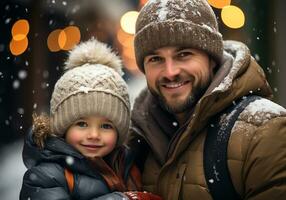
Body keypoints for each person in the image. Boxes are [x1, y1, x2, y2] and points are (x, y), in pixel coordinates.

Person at [127, 0, 286, 199]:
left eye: (184, 54)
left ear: (212, 58)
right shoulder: (135, 142)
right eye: (155, 59)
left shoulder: (264, 131)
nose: (170, 72)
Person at [20, 39, 162, 200]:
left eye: (106, 126)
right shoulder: (46, 176)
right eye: (82, 124)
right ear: (63, 127)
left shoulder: (127, 167)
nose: (94, 134)